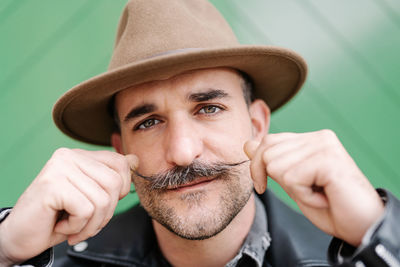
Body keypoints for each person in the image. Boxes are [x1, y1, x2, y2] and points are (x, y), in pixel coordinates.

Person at [0, 0, 399, 266]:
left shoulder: (353, 255)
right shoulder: (55, 260)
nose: (183, 151)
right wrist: (6, 249)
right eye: (148, 122)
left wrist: (378, 232)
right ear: (120, 150)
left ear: (257, 125)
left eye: (208, 108)